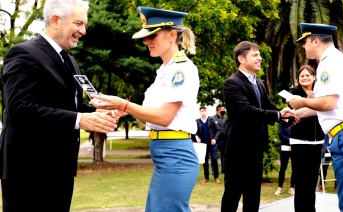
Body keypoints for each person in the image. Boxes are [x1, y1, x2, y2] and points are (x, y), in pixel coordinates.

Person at [0, 0, 118, 211]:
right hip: (28, 173)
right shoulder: (23, 53)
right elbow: (20, 108)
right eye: (78, 23)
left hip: (61, 171)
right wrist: (81, 120)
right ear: (55, 20)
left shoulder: (70, 61)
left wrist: (100, 112)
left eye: (85, 24)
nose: (83, 31)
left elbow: (68, 106)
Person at [89, 6, 200, 211]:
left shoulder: (181, 69)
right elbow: (152, 121)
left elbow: (166, 118)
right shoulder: (165, 71)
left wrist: (124, 104)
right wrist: (126, 110)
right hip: (165, 156)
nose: (145, 41)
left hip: (176, 156)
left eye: (152, 35)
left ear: (172, 35)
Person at [287, 23, 343, 212]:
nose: (303, 46)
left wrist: (301, 102)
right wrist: (295, 113)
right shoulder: (336, 61)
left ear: (316, 41)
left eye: (305, 42)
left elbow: (327, 103)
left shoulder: (329, 63)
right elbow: (326, 107)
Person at [221, 41, 298, 211]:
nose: (260, 58)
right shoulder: (232, 83)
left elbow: (268, 106)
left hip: (256, 149)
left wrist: (285, 116)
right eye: (255, 55)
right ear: (241, 58)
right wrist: (277, 115)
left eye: (260, 55)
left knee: (253, 195)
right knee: (232, 195)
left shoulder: (259, 83)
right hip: (238, 149)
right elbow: (246, 110)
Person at [288, 65, 325, 211]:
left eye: (308, 75)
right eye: (302, 76)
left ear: (314, 77)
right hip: (299, 141)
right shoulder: (294, 93)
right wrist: (308, 101)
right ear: (298, 78)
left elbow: (324, 108)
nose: (305, 78)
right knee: (300, 180)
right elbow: (292, 110)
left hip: (317, 142)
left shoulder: (320, 92)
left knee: (311, 180)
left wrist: (314, 100)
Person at [195, 106, 221, 183]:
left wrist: (215, 139)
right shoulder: (197, 121)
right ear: (200, 112)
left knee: (214, 159)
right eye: (202, 111)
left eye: (204, 110)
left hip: (212, 144)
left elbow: (218, 130)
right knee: (204, 161)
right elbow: (195, 132)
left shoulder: (211, 120)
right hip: (203, 144)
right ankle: (206, 177)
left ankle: (216, 177)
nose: (203, 112)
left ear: (207, 111)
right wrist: (197, 138)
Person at [274, 123, 295, 196]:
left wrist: (294, 143)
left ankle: (292, 187)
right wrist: (291, 141)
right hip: (284, 148)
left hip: (295, 148)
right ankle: (280, 187)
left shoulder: (296, 122)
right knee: (283, 168)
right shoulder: (282, 123)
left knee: (294, 168)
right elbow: (280, 134)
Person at [212, 104, 227, 173]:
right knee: (214, 156)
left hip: (224, 140)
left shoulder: (225, 119)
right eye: (222, 110)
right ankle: (214, 170)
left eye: (224, 110)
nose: (224, 111)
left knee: (224, 155)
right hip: (216, 140)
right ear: (218, 110)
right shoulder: (213, 119)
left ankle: (223, 169)